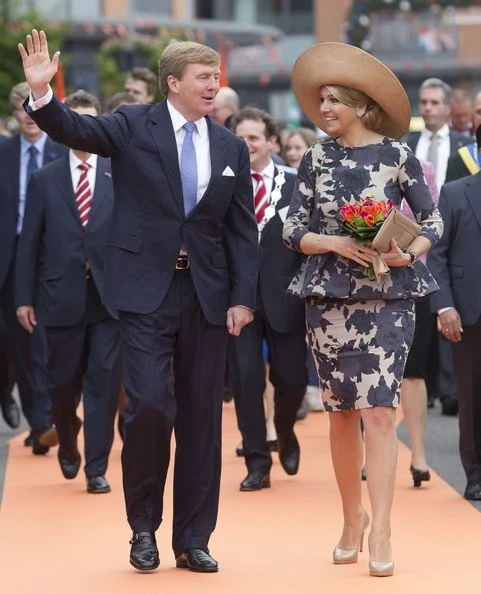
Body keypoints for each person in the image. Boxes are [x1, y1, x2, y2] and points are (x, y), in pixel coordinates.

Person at [19, 29, 258, 573]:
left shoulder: (230, 146)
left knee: (201, 420)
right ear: (173, 83)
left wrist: (243, 298)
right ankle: (144, 528)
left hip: (206, 296)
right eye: (204, 78)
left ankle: (193, 537)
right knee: (149, 406)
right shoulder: (131, 125)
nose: (214, 87)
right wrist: (43, 96)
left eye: (216, 78)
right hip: (144, 292)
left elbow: (242, 231)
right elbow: (74, 127)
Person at [283, 42, 443, 577]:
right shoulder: (313, 157)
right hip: (328, 301)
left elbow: (432, 224)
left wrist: (406, 250)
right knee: (341, 415)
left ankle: (381, 527)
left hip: (389, 297)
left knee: (379, 412)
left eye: (334, 99)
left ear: (360, 104)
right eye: (321, 99)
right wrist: (329, 243)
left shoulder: (398, 156)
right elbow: (288, 227)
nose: (324, 108)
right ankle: (351, 517)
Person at [15, 90, 122, 493]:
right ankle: (67, 433)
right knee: (61, 385)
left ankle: (96, 467)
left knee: (104, 384)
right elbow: (30, 243)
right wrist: (23, 298)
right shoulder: (45, 179)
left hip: (109, 298)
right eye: (74, 119)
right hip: (59, 298)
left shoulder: (118, 173)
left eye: (90, 120)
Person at [228, 106, 307, 491]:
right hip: (238, 301)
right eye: (239, 138)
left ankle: (287, 432)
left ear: (271, 142)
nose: (246, 145)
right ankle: (257, 462)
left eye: (253, 138)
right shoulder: (222, 184)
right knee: (245, 381)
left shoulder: (297, 184)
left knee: (290, 380)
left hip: (287, 299)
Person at [0, 81, 66, 446]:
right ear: (15, 114)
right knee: (20, 340)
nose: (29, 116)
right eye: (22, 109)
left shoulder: (63, 152)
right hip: (10, 259)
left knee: (49, 339)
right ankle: (37, 420)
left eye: (34, 109)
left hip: (53, 256)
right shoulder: (3, 153)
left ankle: (47, 420)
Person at [406, 77, 470, 416]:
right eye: (424, 101)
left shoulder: (465, 145)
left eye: (434, 102)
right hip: (414, 236)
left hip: (454, 232)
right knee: (421, 310)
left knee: (447, 304)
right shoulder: (407, 142)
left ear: (447, 107)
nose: (428, 108)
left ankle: (448, 388)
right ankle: (424, 381)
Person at [427, 124, 481, 502]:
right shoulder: (455, 192)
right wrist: (443, 305)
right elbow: (438, 255)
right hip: (469, 311)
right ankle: (476, 473)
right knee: (473, 397)